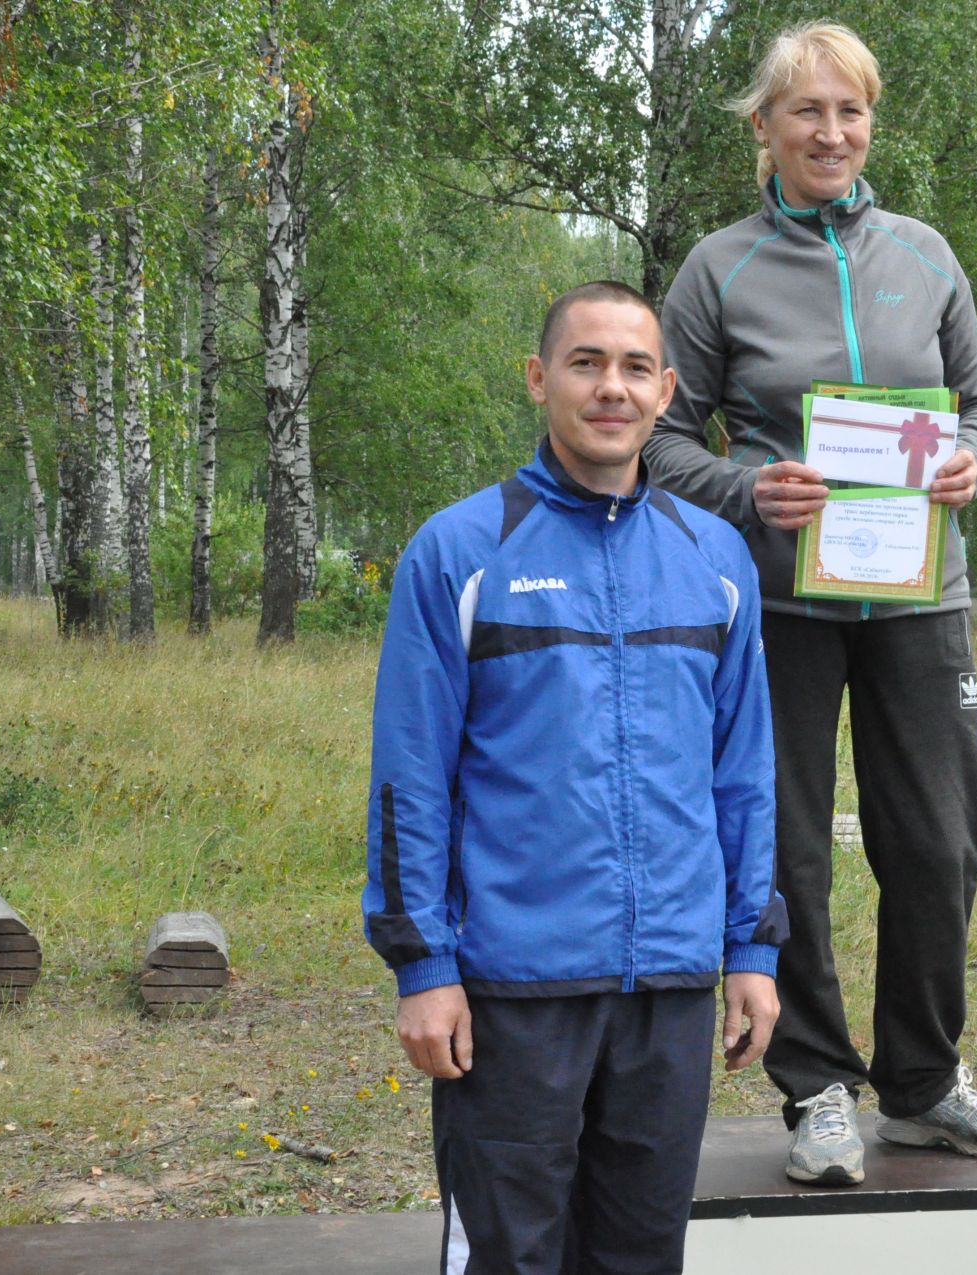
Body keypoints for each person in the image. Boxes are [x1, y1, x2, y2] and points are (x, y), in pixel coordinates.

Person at [643, 21, 977, 1187]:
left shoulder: (925, 252)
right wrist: (747, 490)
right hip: (781, 608)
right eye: (806, 111)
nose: (831, 132)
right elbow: (665, 438)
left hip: (921, 599)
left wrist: (970, 457)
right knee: (788, 851)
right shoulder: (718, 268)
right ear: (763, 128)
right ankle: (815, 1090)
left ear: (872, 125)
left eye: (850, 111)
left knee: (939, 838)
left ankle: (922, 1085)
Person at [362, 280, 786, 1274]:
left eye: (636, 368)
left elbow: (748, 773)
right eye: (587, 363)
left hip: (670, 986)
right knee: (511, 1256)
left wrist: (754, 952)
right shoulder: (460, 552)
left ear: (668, 391)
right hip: (512, 988)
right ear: (538, 379)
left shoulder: (716, 557)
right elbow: (407, 780)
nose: (612, 389)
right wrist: (424, 967)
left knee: (640, 1256)